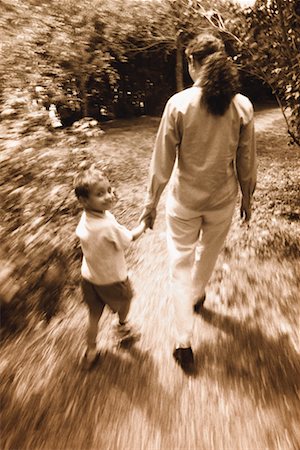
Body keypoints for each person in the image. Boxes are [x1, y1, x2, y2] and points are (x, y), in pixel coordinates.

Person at [140, 33, 257, 374]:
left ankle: (183, 341)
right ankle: (198, 293)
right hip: (222, 200)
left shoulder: (178, 104)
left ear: (193, 63)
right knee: (206, 257)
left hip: (184, 202)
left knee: (180, 265)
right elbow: (246, 161)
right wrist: (247, 196)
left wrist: (151, 203)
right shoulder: (242, 106)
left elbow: (162, 161)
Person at [74, 164, 147, 369]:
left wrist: (106, 198)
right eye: (100, 194)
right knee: (127, 298)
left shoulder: (86, 218)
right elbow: (128, 239)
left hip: (89, 278)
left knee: (93, 317)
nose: (107, 196)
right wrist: (143, 225)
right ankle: (122, 327)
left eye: (108, 190)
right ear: (84, 201)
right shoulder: (107, 225)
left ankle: (91, 351)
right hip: (112, 279)